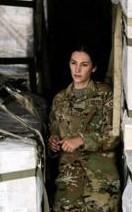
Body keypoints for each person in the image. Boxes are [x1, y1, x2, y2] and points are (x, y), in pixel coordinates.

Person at [48, 46, 120, 212]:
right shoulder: (59, 99)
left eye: (84, 64)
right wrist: (53, 143)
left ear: (93, 68)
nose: (77, 69)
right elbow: (54, 132)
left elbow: (115, 135)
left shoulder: (105, 94)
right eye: (74, 63)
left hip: (100, 183)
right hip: (68, 183)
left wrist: (81, 140)